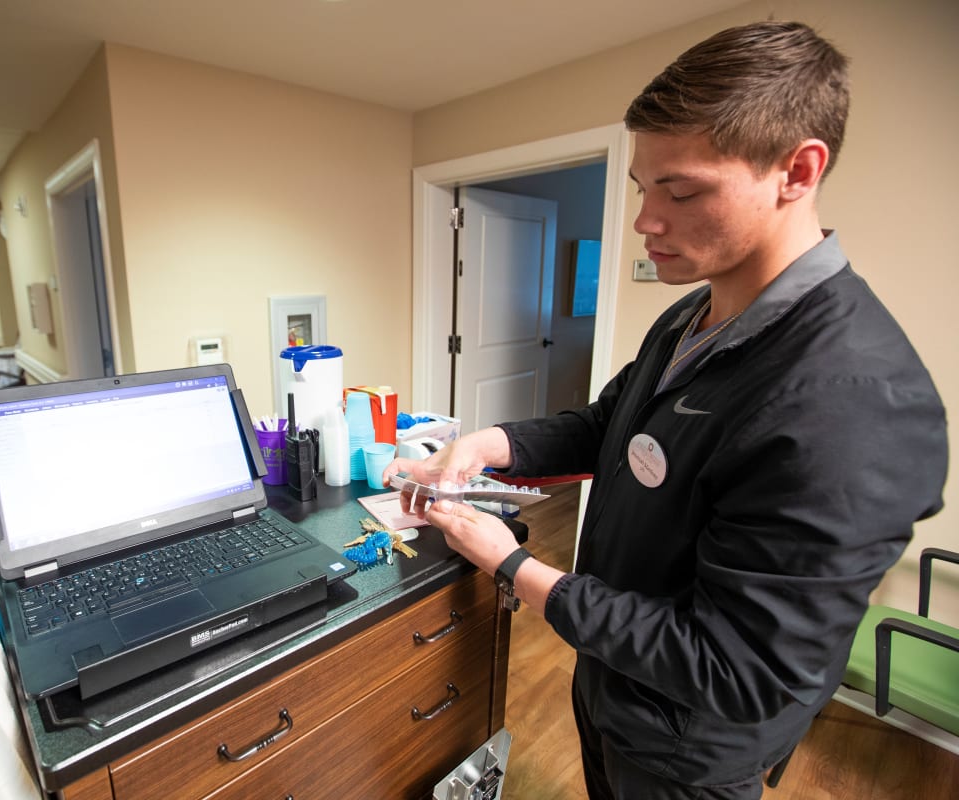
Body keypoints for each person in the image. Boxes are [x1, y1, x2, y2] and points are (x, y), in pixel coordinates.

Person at [383, 20, 948, 799]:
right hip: (616, 676)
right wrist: (483, 444)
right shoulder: (694, 314)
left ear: (797, 170)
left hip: (692, 742)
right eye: (644, 189)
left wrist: (515, 563)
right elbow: (608, 427)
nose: (647, 222)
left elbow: (738, 667)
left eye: (682, 191)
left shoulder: (854, 404)